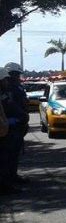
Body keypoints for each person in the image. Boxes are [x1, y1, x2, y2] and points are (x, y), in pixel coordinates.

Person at [1, 63, 29, 193]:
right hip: (8, 128)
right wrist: (12, 121)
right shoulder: (6, 92)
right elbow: (8, 108)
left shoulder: (15, 88)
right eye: (14, 75)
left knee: (13, 154)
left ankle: (12, 177)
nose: (17, 77)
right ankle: (6, 184)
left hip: (16, 125)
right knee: (6, 157)